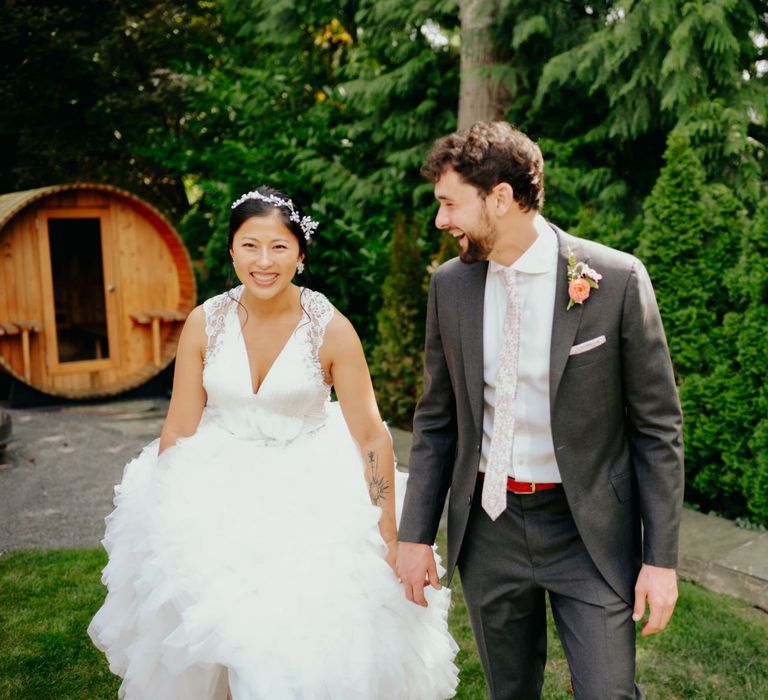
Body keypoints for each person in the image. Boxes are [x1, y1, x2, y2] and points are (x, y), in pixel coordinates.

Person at [88, 186, 459, 700]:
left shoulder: (331, 330)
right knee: (213, 636)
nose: (264, 262)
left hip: (309, 491)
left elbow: (372, 435)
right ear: (232, 252)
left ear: (301, 255)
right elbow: (178, 426)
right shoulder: (205, 321)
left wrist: (389, 533)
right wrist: (165, 509)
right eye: (250, 246)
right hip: (218, 485)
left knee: (293, 645)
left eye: (279, 247)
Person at [396, 122, 684, 699]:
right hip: (488, 529)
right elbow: (436, 421)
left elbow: (657, 430)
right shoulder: (450, 287)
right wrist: (414, 535)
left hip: (588, 531)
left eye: (450, 204)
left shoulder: (617, 279)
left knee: (608, 692)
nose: (441, 220)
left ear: (499, 198)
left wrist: (661, 559)